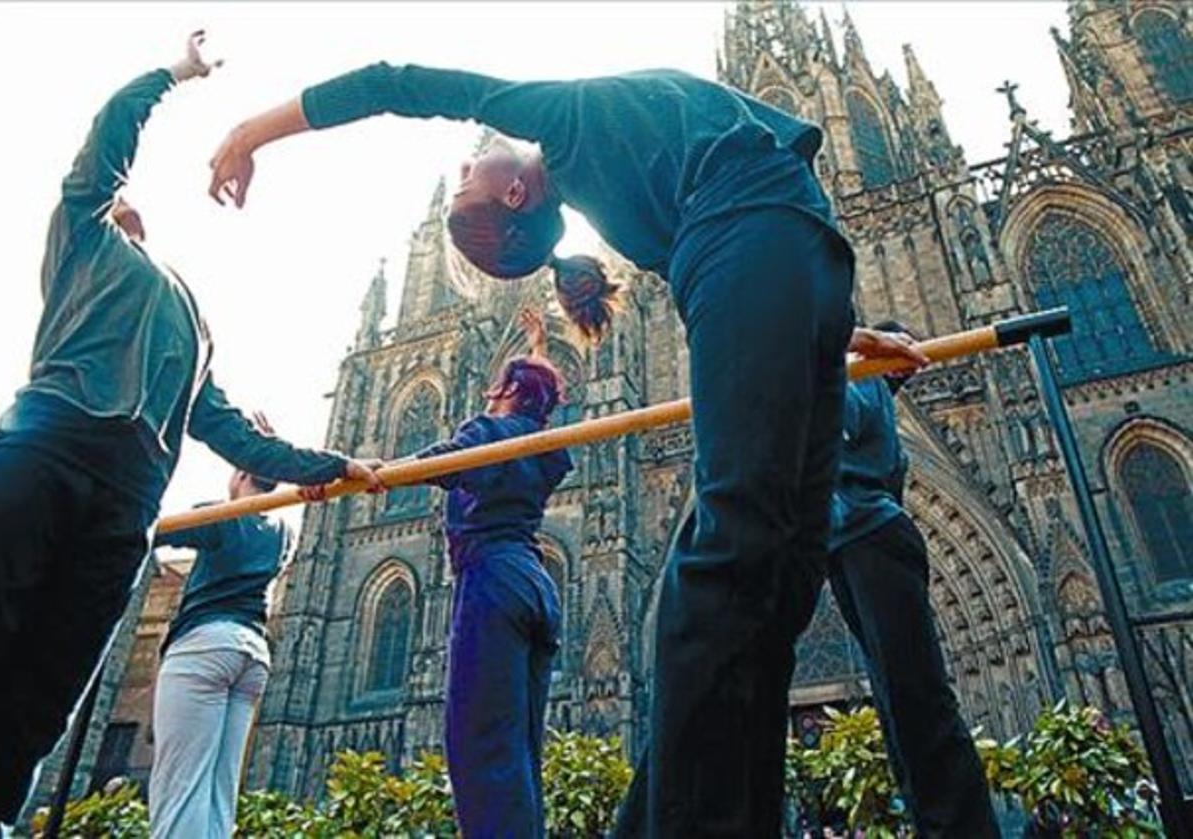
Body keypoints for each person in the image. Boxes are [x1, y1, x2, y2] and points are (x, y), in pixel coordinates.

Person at [208, 63, 928, 836]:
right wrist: (256, 132)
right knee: (756, 576)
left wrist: (831, 322)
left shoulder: (608, 182)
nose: (465, 162)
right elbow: (399, 83)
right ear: (512, 192)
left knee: (757, 578)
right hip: (793, 247)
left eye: (459, 178)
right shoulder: (568, 126)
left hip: (795, 255)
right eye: (465, 181)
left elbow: (735, 272)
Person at [0, 33, 383, 827]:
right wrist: (173, 74)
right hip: (50, 447)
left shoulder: (193, 322)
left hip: (126, 503)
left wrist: (336, 462)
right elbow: (108, 137)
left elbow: (236, 434)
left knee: (53, 684)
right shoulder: (82, 236)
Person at [823, 321, 998, 837]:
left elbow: (833, 425)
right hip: (851, 542)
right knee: (899, 699)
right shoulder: (876, 396)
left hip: (868, 535)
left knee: (913, 693)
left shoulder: (863, 385)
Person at [412, 308, 572, 837]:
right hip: (535, 585)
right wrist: (538, 347)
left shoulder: (487, 430)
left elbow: (442, 464)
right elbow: (537, 402)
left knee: (478, 742)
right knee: (519, 749)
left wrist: (374, 474)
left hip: (492, 583)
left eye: (500, 381)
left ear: (506, 391)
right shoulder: (543, 447)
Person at [149, 414, 317, 839]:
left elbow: (153, 532)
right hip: (252, 657)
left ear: (241, 472)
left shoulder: (224, 516)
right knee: (220, 791)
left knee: (180, 786)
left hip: (205, 646)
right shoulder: (282, 531)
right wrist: (271, 452)